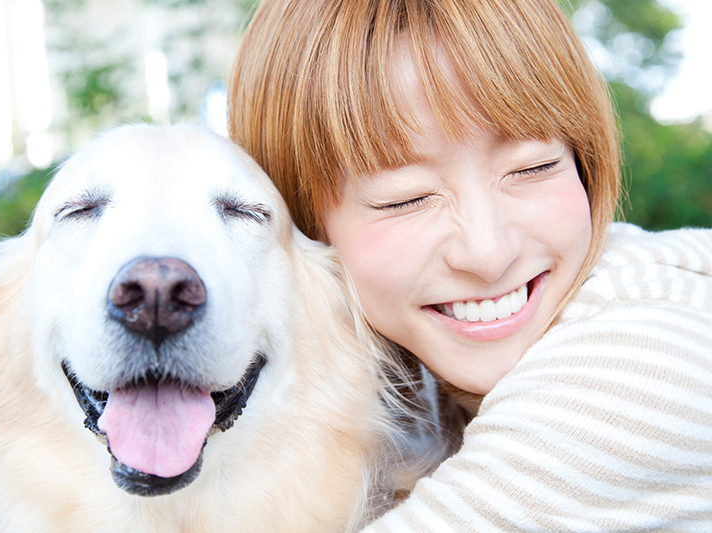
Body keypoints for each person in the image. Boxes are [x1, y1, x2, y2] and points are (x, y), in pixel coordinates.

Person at [228, 0, 712, 530]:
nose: (488, 252)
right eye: (405, 198)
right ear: (303, 228)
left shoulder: (649, 362)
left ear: (584, 161)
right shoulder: (411, 382)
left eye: (534, 166)